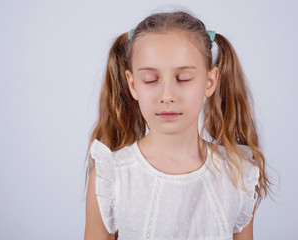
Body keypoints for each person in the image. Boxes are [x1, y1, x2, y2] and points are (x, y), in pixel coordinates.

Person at [84, 10, 271, 240]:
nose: (167, 95)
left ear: (209, 81)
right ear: (133, 85)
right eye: (151, 80)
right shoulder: (112, 177)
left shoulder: (237, 173)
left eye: (183, 78)